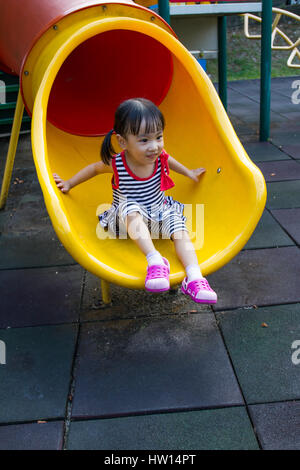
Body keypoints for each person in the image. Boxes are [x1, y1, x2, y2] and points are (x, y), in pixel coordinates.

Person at [53, 98, 217, 304]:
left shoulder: (159, 157)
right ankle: (155, 260)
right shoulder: (119, 163)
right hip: (128, 222)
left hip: (158, 212)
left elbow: (170, 160)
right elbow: (94, 168)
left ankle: (194, 278)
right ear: (123, 142)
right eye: (144, 140)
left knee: (179, 229)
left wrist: (189, 173)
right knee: (129, 207)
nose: (154, 146)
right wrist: (69, 183)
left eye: (159, 137)